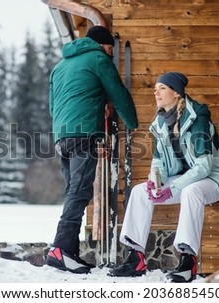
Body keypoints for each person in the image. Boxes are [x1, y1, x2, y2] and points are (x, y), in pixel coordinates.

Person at [108, 72, 219, 282]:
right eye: (155, 87)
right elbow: (159, 162)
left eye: (162, 87)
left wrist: (173, 189)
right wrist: (153, 180)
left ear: (176, 93)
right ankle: (135, 257)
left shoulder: (197, 119)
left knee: (191, 191)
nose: (156, 91)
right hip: (187, 176)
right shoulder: (160, 122)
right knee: (141, 192)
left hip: (217, 176)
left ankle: (187, 262)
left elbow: (204, 166)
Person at [46, 25, 138, 274]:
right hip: (84, 133)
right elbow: (117, 92)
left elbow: (53, 106)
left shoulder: (59, 67)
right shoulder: (98, 58)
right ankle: (61, 249)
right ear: (101, 45)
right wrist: (132, 124)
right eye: (109, 48)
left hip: (61, 136)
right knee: (79, 191)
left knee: (73, 191)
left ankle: (70, 253)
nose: (110, 54)